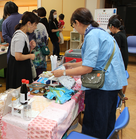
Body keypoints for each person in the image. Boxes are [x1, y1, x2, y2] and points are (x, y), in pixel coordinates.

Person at [52, 7, 128, 139]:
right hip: (111, 84)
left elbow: (88, 68)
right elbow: (93, 61)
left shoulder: (92, 35)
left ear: (77, 22)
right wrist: (72, 64)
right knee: (106, 122)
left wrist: (63, 73)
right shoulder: (99, 32)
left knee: (97, 123)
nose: (75, 29)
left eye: (73, 25)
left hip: (103, 86)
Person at [6, 12, 38, 90]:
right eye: (35, 25)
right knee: (20, 92)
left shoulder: (24, 34)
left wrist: (30, 48)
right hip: (18, 69)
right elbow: (18, 56)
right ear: (29, 23)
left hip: (22, 67)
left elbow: (23, 53)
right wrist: (30, 56)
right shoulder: (19, 36)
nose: (36, 27)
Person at [108, 15, 129, 95]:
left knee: (119, 77)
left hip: (121, 60)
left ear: (112, 27)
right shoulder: (122, 33)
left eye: (109, 28)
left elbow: (116, 50)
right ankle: (121, 94)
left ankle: (120, 94)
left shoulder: (117, 36)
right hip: (124, 58)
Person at [32, 11, 48, 80]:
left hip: (33, 53)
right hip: (41, 51)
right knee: (41, 71)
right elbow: (46, 38)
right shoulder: (42, 25)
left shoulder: (30, 27)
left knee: (34, 72)